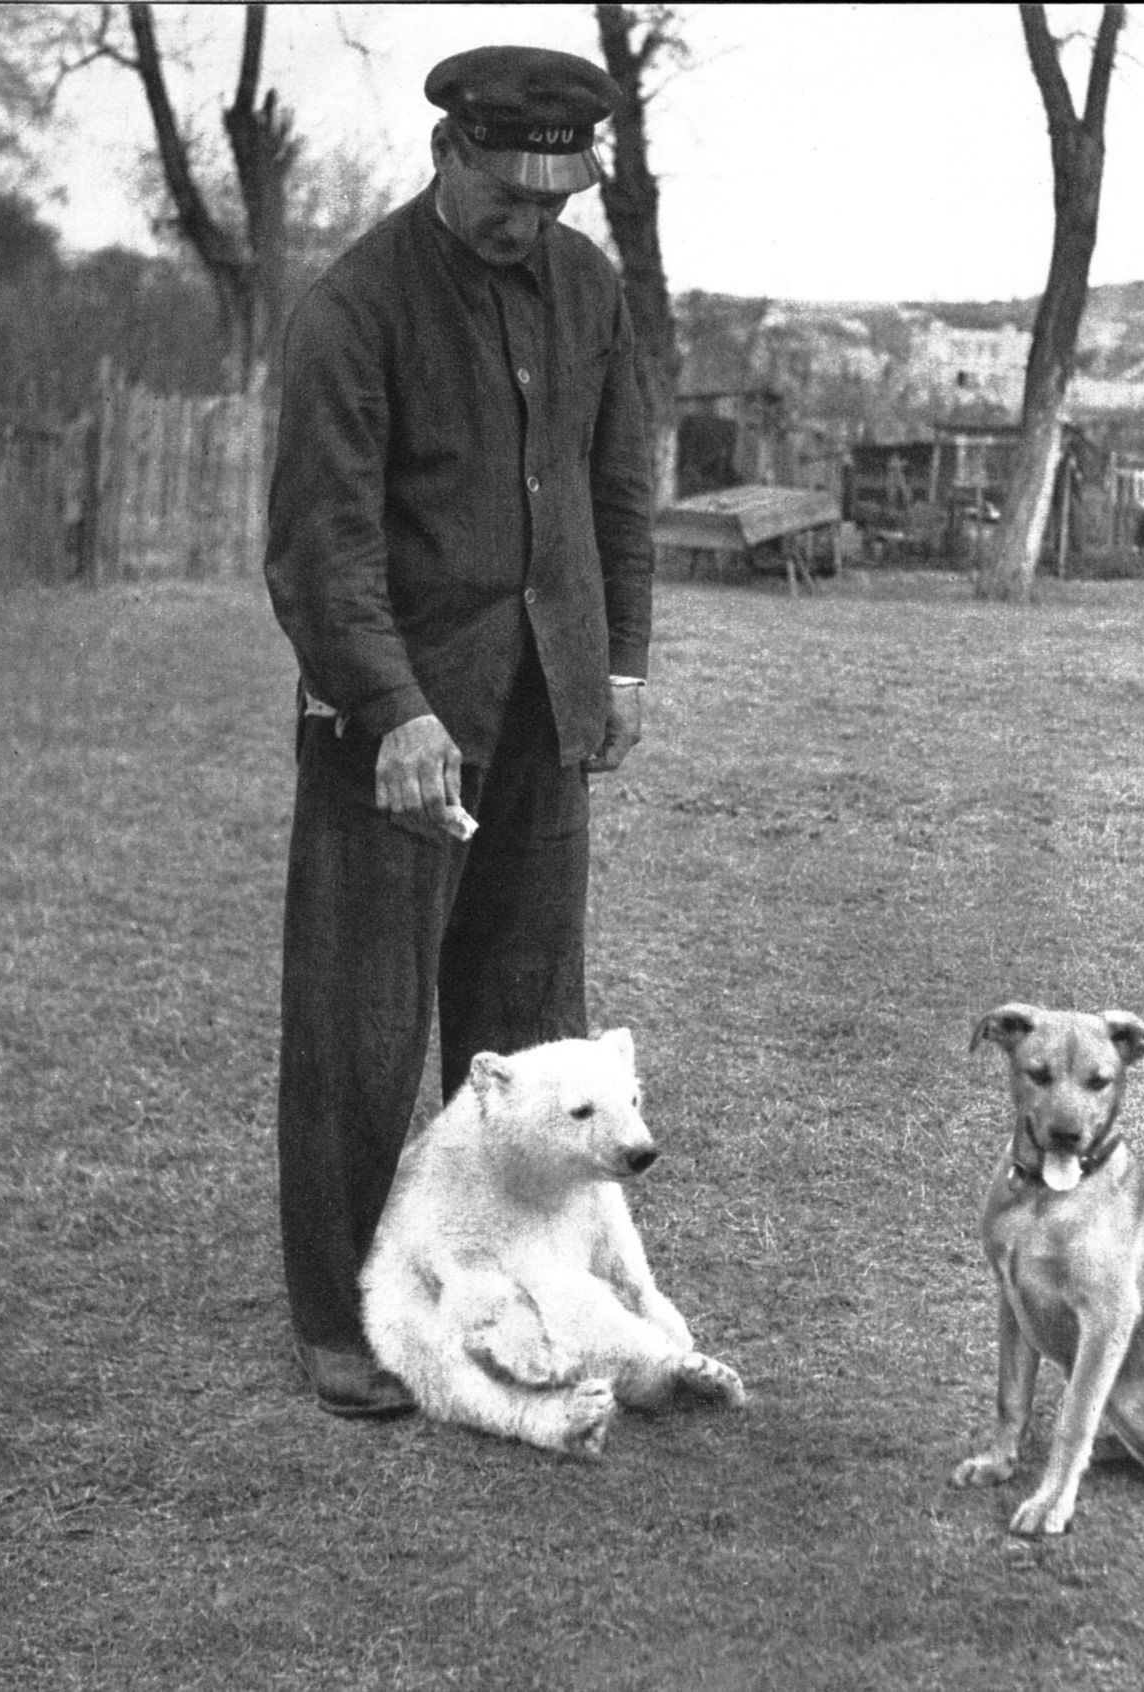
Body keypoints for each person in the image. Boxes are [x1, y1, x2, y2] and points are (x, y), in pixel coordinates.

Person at [263, 45, 655, 1417]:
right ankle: (346, 1315)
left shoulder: (589, 290)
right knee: (361, 1030)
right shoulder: (353, 310)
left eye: (554, 202)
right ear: (448, 154)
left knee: (533, 1031)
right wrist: (392, 708)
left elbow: (617, 486)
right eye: (507, 195)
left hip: (548, 708)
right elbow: (322, 549)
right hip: (397, 729)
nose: (529, 223)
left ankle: (526, 1289)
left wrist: (621, 669)